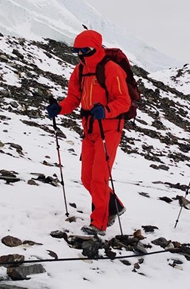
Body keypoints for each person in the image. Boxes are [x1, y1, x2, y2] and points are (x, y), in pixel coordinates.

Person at [45, 30, 129, 235]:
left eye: (86, 50)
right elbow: (74, 98)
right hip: (89, 129)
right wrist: (60, 108)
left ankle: (98, 224)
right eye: (78, 51)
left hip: (108, 129)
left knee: (99, 178)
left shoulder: (111, 69)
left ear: (97, 47)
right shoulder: (80, 70)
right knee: (86, 178)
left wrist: (106, 111)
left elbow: (124, 101)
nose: (82, 54)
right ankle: (114, 206)